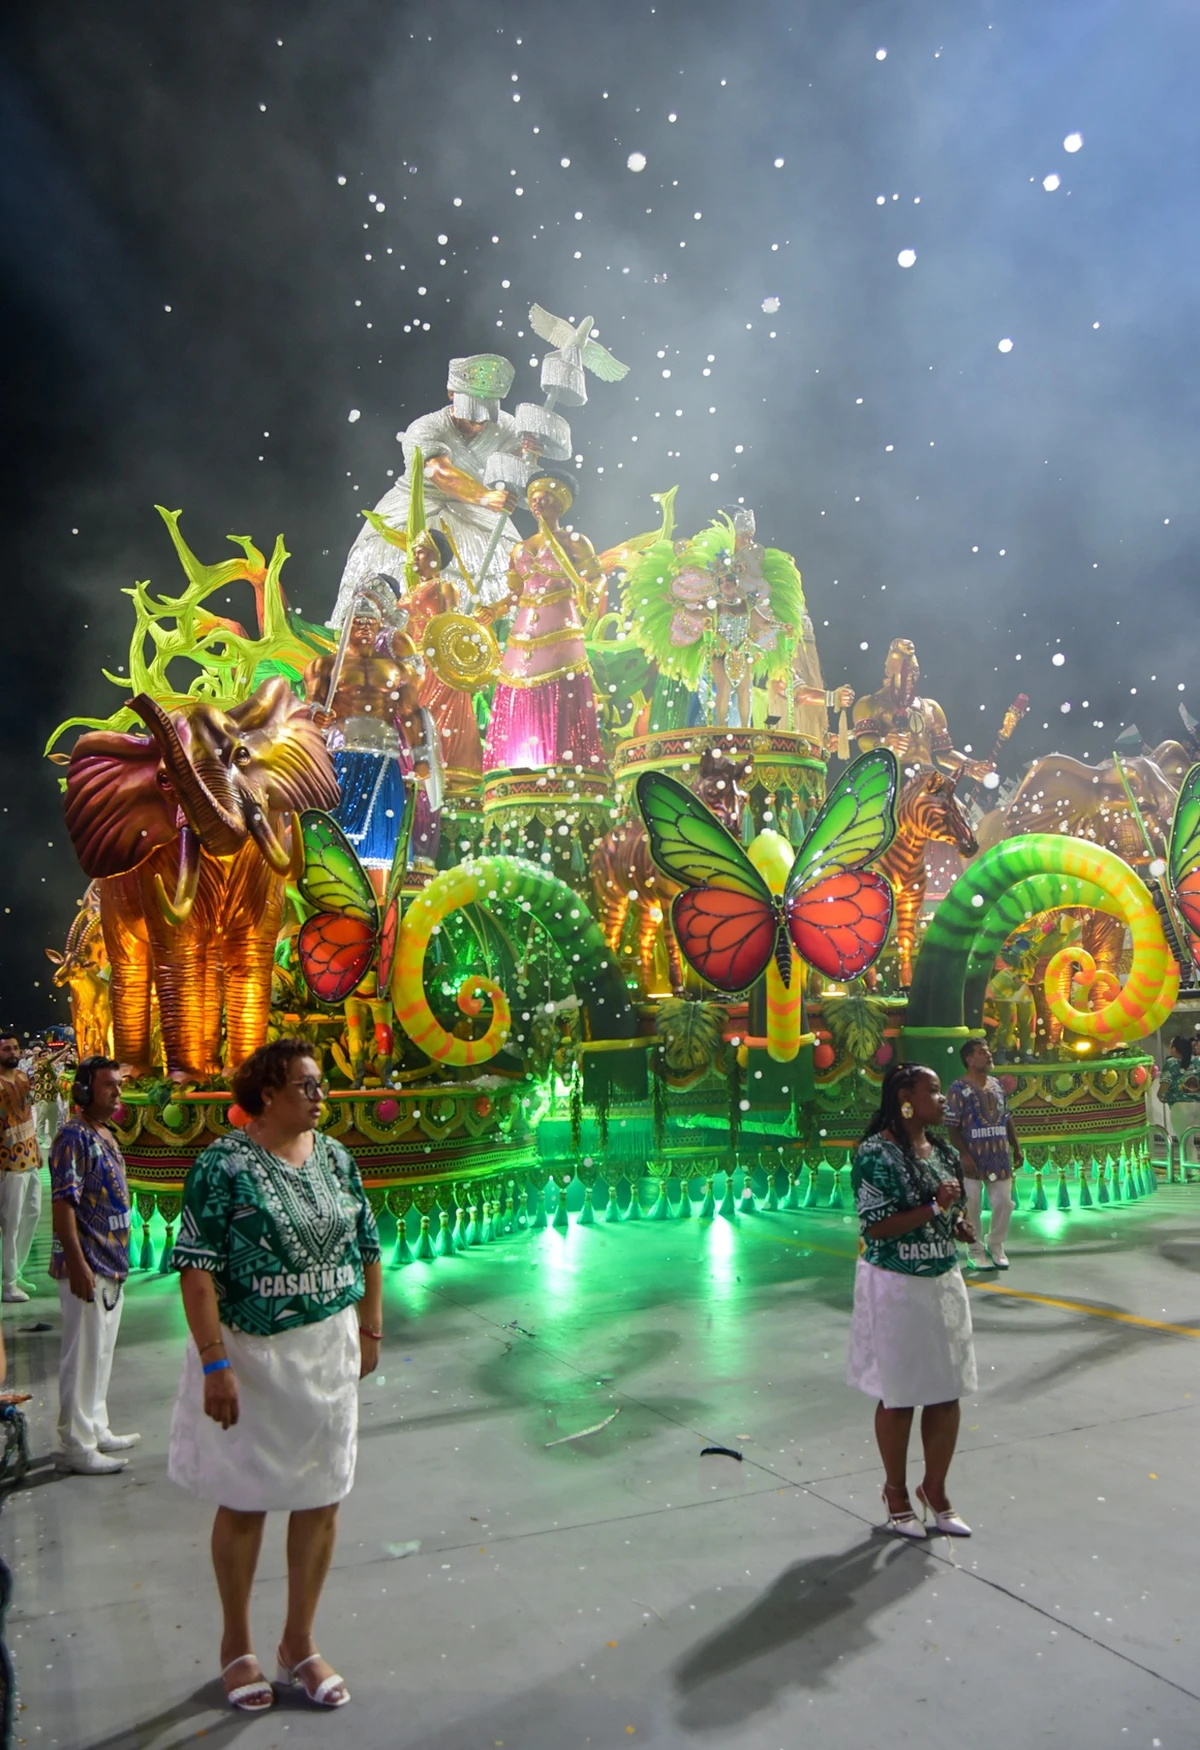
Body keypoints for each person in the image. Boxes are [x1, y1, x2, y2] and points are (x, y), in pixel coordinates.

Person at [168, 1038, 383, 1713]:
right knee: (246, 1498)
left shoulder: (336, 1158)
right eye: (307, 1085)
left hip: (326, 1352)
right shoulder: (223, 1166)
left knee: (323, 1494)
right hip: (249, 1356)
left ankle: (299, 1642)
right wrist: (214, 1362)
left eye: (321, 1085)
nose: (321, 1096)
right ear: (267, 1093)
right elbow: (196, 1269)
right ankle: (237, 1646)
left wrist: (370, 1327)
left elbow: (367, 1246)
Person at [848, 1063, 978, 1540]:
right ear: (906, 1098)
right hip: (895, 1284)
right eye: (934, 1091)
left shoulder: (942, 1151)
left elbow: (950, 1208)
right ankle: (896, 1493)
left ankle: (935, 1491)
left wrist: (956, 1223)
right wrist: (934, 1207)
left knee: (947, 1390)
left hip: (943, 1281)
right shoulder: (875, 1153)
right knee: (900, 1394)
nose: (942, 1099)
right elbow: (876, 1226)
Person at [332, 354, 523, 623]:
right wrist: (484, 496)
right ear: (451, 394)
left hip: (481, 514)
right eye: (471, 414)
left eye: (484, 416)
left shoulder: (508, 428)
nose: (477, 424)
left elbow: (518, 473)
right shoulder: (425, 428)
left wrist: (529, 454)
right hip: (423, 505)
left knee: (503, 581)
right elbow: (440, 473)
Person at [304, 573, 441, 879]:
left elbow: (410, 713)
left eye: (371, 622)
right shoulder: (325, 665)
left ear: (380, 625)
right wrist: (316, 716)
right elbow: (310, 703)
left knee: (382, 842)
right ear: (345, 625)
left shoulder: (397, 670)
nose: (365, 627)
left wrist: (421, 756)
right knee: (334, 835)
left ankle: (378, 902)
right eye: (358, 622)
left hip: (384, 759)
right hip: (341, 754)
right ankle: (334, 891)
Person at [482, 467, 607, 774]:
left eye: (545, 497)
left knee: (561, 689)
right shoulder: (520, 548)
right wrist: (494, 610)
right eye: (534, 498)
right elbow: (515, 594)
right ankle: (520, 765)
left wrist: (593, 592)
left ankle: (562, 760)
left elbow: (598, 576)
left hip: (560, 625)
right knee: (518, 689)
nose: (537, 503)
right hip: (523, 631)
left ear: (560, 502)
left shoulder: (574, 541)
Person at [48, 1055, 137, 1475]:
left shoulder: (102, 1132)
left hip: (110, 1262)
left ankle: (96, 1427)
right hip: (87, 1264)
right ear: (84, 1090)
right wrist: (78, 1263)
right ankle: (75, 1444)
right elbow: (63, 1204)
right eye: (108, 1085)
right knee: (82, 1357)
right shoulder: (73, 1137)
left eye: (119, 1084)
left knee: (100, 1353)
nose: (117, 1092)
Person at [852, 638, 993, 779]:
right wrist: (884, 743)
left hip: (928, 777)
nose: (910, 677)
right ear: (889, 672)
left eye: (914, 671)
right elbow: (864, 741)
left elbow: (943, 753)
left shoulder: (931, 708)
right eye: (904, 672)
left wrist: (970, 766)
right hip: (891, 777)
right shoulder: (870, 703)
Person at [945, 1038, 1023, 1270]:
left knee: (1004, 1203)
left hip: (999, 1156)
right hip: (972, 1157)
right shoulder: (958, 1089)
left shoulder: (997, 1085)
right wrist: (964, 1155)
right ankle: (976, 1250)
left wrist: (1016, 1147)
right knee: (973, 1206)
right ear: (969, 1059)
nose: (988, 1055)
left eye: (988, 1051)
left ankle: (996, 1244)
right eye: (982, 1052)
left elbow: (1007, 1118)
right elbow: (952, 1128)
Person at [0, 1035, 42, 1304]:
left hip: (29, 1157)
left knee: (32, 1213)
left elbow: (28, 1116)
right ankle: (8, 1284)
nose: (13, 1052)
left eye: (15, 1048)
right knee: (11, 1223)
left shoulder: (22, 1078)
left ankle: (15, 1270)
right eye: (7, 1049)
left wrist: (36, 1147)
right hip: (7, 1163)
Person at [1157, 1034, 1200, 1175]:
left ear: (1175, 1049)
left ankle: (1191, 1171)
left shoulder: (1171, 1063)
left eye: (1171, 1045)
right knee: (1192, 1138)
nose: (1169, 1048)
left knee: (1186, 1141)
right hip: (1197, 1104)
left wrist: (1161, 1096)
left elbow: (1165, 1084)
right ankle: (1193, 1168)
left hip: (1180, 1107)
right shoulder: (1198, 1061)